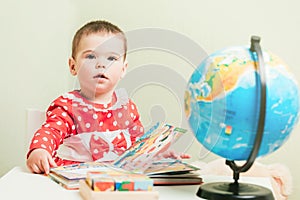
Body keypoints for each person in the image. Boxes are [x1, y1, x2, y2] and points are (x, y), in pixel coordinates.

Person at [26, 20, 189, 175]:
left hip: (118, 180)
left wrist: (157, 155)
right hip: (75, 178)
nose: (101, 64)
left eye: (111, 58)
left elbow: (139, 147)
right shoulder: (68, 105)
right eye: (90, 56)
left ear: (123, 69)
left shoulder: (127, 108)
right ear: (73, 66)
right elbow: (51, 131)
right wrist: (40, 149)